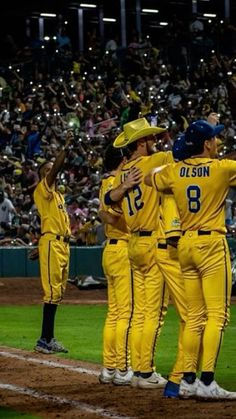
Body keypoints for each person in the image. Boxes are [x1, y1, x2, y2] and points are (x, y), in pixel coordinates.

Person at [145, 119, 236, 400]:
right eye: (215, 139)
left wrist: (174, 162)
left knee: (194, 317)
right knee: (217, 316)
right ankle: (207, 381)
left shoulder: (174, 171)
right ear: (207, 144)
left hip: (185, 244)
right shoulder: (222, 169)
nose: (218, 142)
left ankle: (187, 380)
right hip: (211, 243)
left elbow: (150, 177)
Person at [104, 117, 172, 389]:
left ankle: (138, 370)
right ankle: (145, 372)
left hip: (133, 243)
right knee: (153, 312)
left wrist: (121, 189)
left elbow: (109, 203)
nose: (157, 141)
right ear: (141, 143)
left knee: (140, 313)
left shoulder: (122, 174)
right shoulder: (155, 161)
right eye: (151, 138)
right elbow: (186, 154)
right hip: (153, 241)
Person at [33, 130, 74, 354]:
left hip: (60, 244)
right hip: (52, 244)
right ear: (42, 175)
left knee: (58, 293)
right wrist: (65, 149)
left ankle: (49, 338)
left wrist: (41, 247)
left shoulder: (58, 196)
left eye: (52, 169)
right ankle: (43, 340)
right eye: (47, 170)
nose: (52, 172)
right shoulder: (43, 189)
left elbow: (50, 223)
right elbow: (54, 170)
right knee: (51, 293)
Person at [98, 144, 133, 386]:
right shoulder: (118, 183)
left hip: (109, 250)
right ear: (122, 160)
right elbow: (107, 215)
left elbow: (103, 213)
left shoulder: (105, 183)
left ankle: (109, 368)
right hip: (122, 248)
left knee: (114, 313)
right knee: (126, 313)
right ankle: (123, 367)